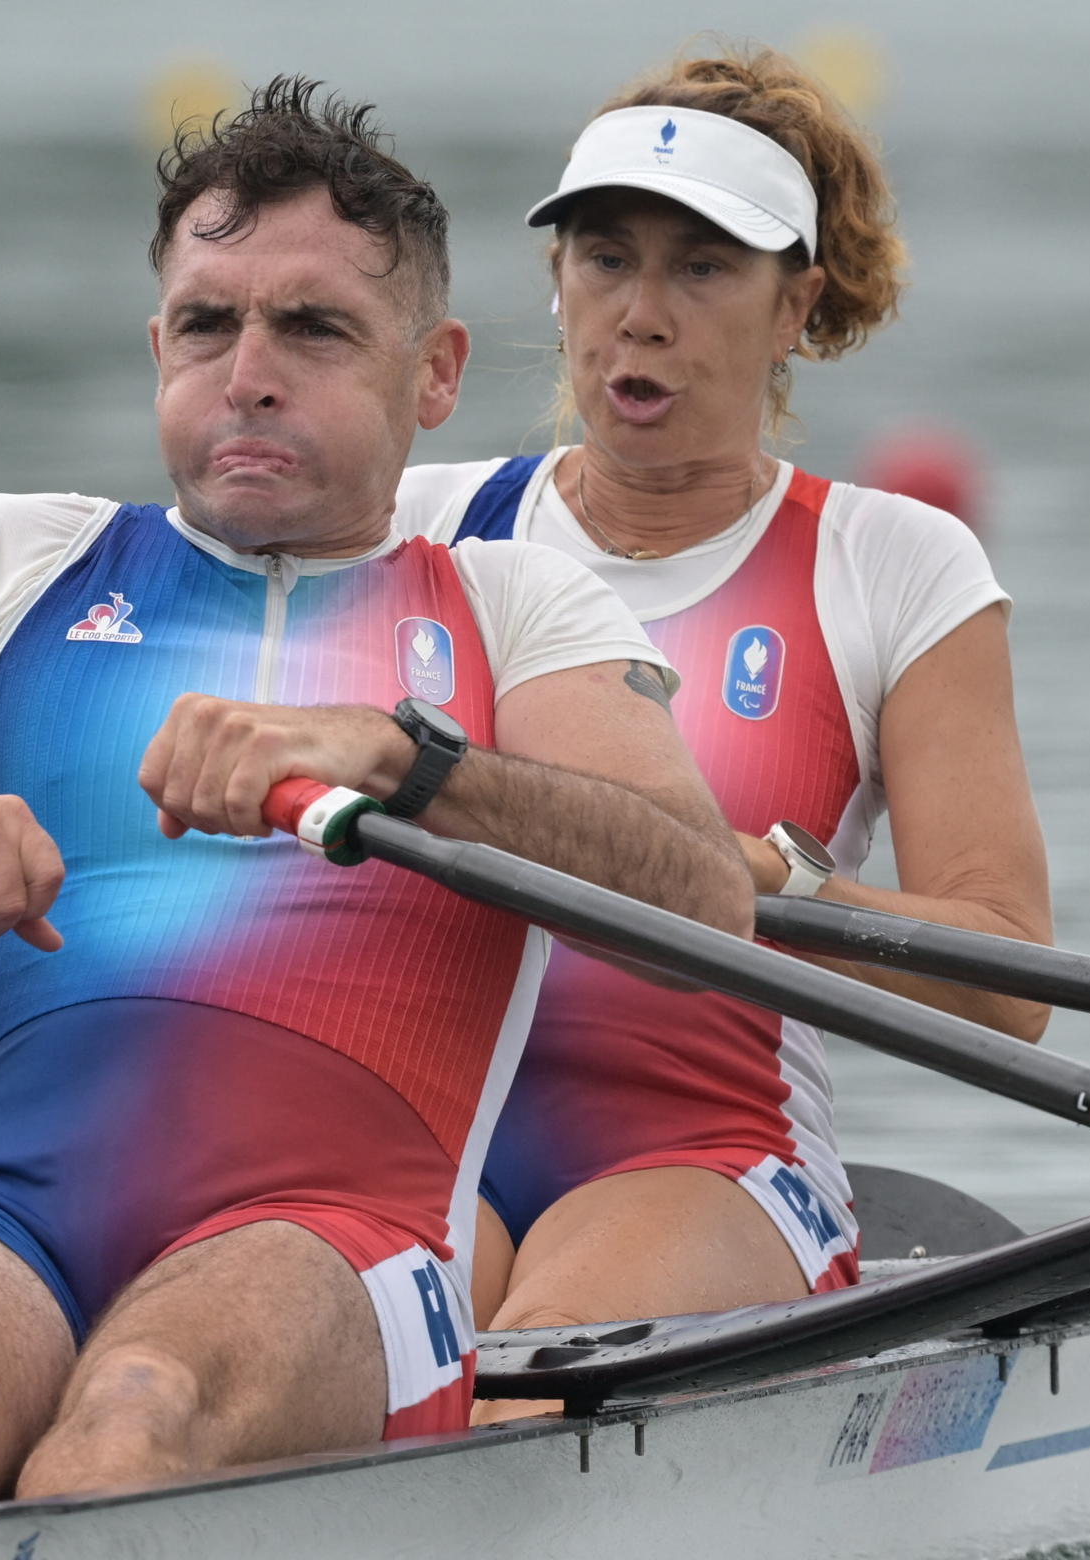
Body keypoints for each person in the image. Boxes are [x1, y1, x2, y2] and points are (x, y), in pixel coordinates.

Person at [0, 79, 748, 1545]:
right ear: (156, 350)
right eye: (207, 324)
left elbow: (708, 909)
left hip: (331, 1240)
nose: (248, 371)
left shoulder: (513, 607)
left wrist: (407, 761)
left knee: (140, 1412)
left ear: (434, 373)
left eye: (312, 328)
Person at [393, 48, 1052, 1359]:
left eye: (702, 269)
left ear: (796, 307)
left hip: (709, 1155)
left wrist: (751, 880)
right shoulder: (417, 525)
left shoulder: (893, 563)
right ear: (557, 280)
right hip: (421, 1127)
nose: (640, 313)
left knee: (519, 1380)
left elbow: (1007, 983)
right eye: (605, 257)